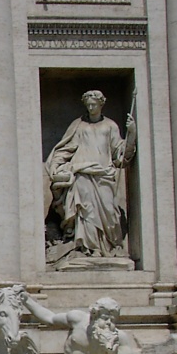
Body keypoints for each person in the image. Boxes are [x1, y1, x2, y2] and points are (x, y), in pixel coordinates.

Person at [45, 90, 136, 257]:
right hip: (82, 173)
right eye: (88, 105)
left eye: (94, 104)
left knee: (109, 211)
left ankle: (108, 246)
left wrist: (131, 133)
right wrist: (55, 165)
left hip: (104, 174)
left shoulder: (110, 126)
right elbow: (65, 148)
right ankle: (87, 248)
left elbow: (121, 156)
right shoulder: (78, 125)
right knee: (85, 211)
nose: (91, 107)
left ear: (101, 104)